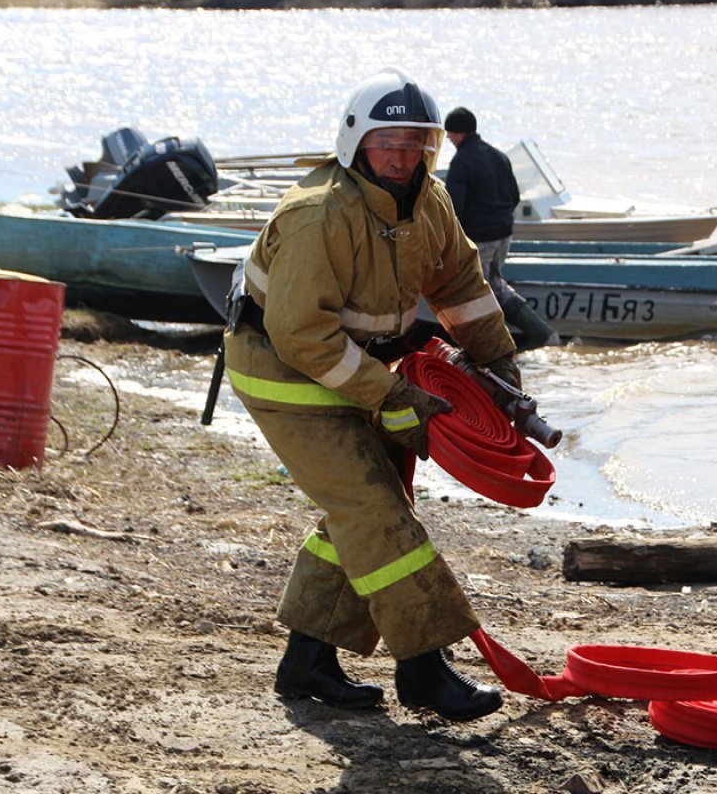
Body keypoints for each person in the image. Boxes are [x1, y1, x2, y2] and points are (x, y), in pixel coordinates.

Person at [223, 68, 520, 722]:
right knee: (376, 510)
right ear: (355, 140)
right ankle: (423, 667)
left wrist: (499, 366)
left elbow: (463, 288)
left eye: (416, 143)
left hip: (353, 367)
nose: (401, 155)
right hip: (280, 368)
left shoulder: (429, 202)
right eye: (388, 141)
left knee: (361, 510)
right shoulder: (317, 213)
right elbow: (301, 335)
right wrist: (388, 394)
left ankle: (308, 663)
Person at [443, 106, 560, 350]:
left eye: (450, 133)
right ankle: (542, 335)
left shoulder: (461, 162)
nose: (448, 138)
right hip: (504, 234)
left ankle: (491, 347)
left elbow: (453, 209)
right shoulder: (498, 156)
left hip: (481, 237)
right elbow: (514, 196)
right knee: (494, 284)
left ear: (460, 133)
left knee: (476, 292)